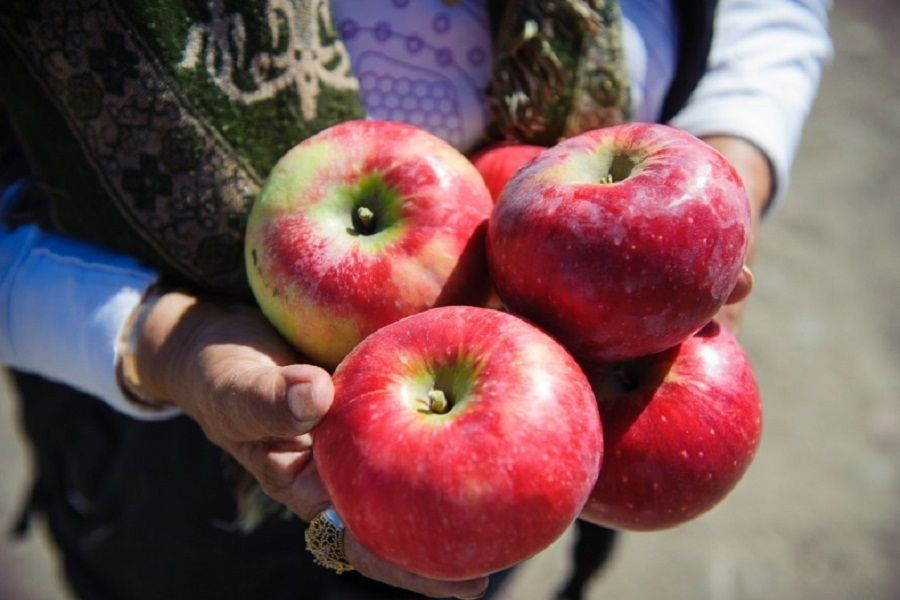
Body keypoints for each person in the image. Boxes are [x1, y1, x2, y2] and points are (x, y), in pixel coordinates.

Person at [0, 1, 831, 598]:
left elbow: (774, 13)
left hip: (536, 437)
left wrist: (727, 180)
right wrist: (161, 342)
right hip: (166, 465)